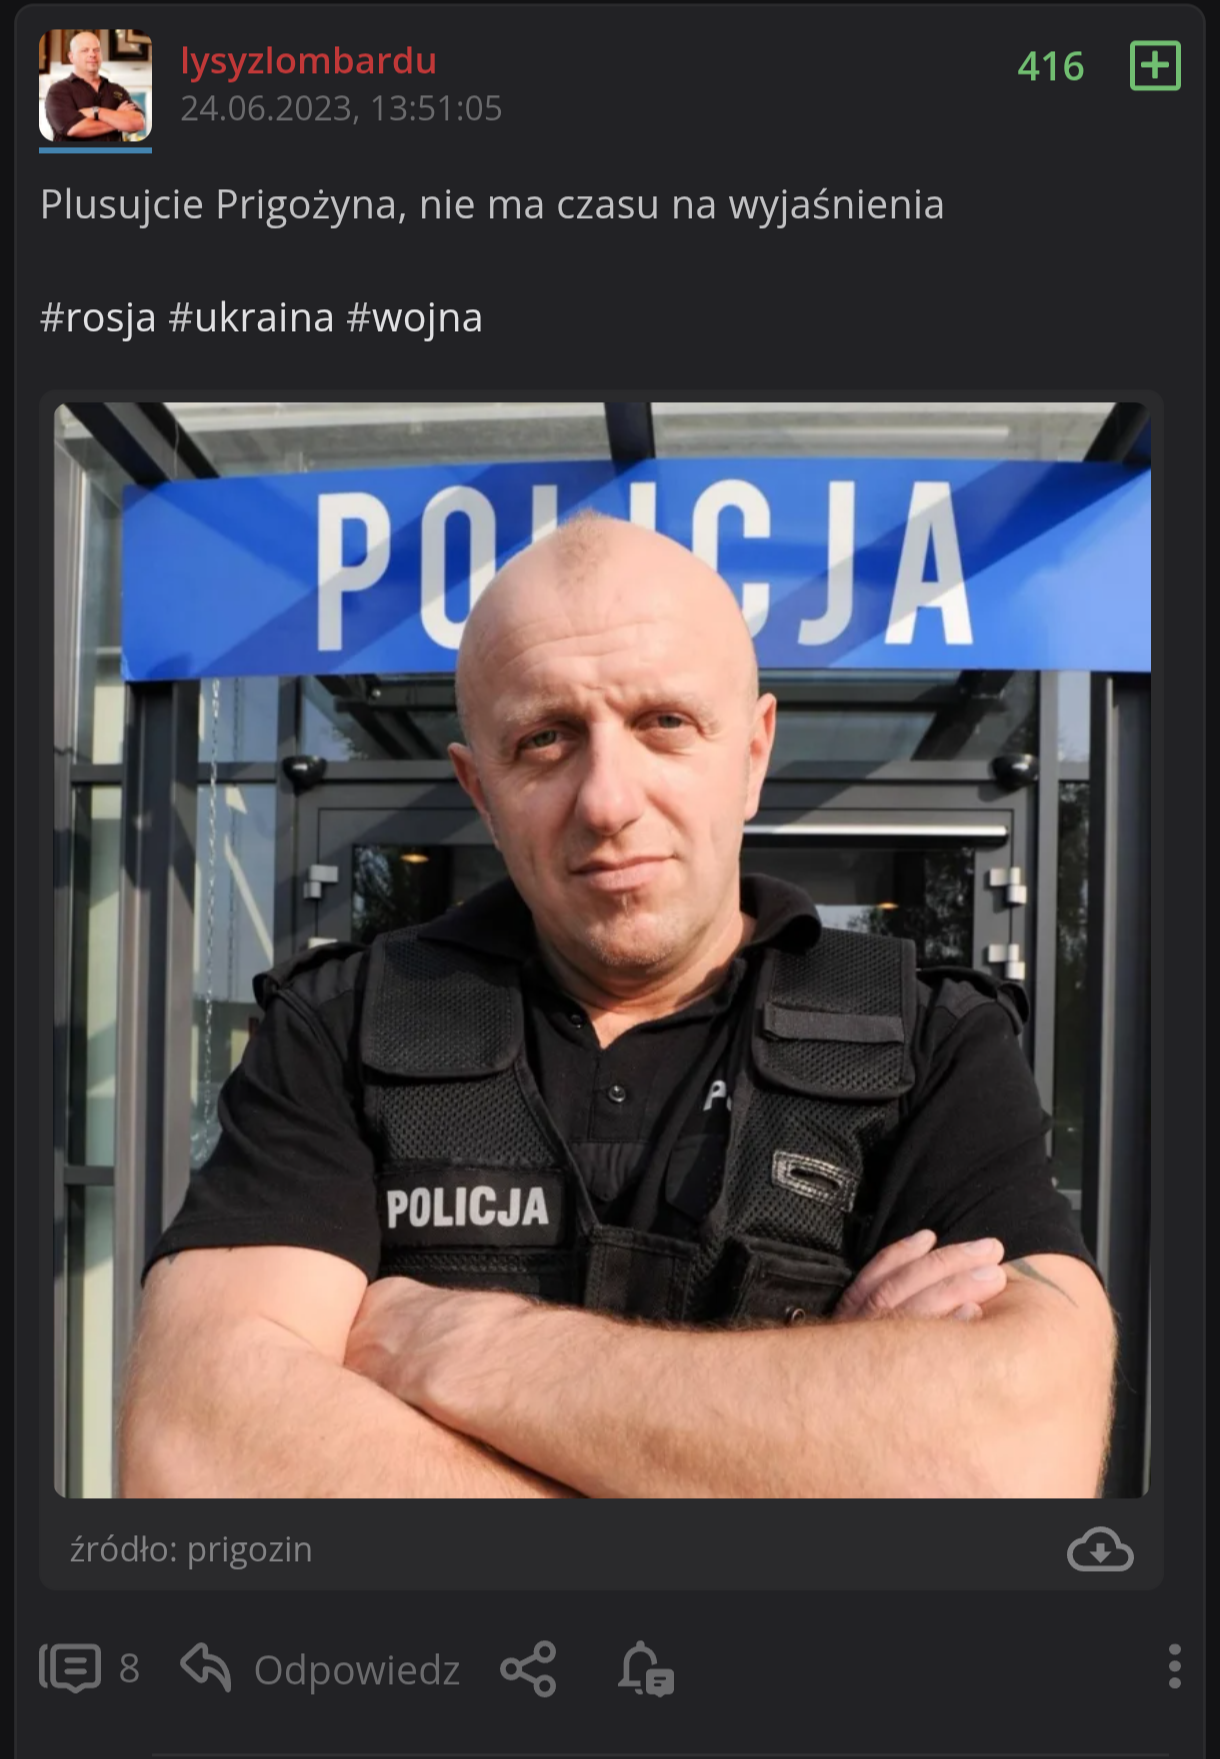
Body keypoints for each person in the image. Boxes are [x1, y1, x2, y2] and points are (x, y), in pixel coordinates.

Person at [120, 512, 1115, 1499]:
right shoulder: (340, 1030)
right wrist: (831, 1422)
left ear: (753, 753)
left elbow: (1014, 1456)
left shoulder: (930, 1046)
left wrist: (463, 1346)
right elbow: (197, 1456)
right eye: (544, 739)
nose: (607, 800)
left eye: (663, 724)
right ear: (480, 788)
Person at [43, 33, 145, 145]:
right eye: (85, 50)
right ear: (71, 57)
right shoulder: (58, 91)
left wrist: (97, 112)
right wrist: (118, 119)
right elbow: (73, 128)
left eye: (96, 50)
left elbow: (138, 122)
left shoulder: (117, 90)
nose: (92, 54)